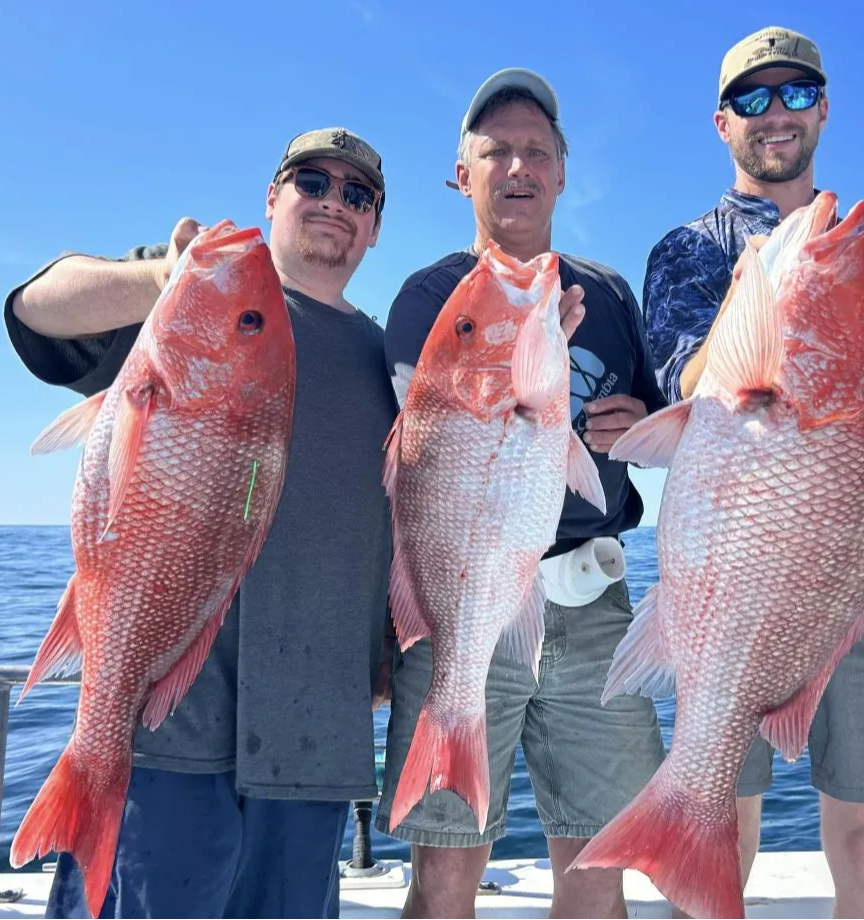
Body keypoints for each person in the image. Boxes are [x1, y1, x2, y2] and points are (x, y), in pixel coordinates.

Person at [4, 127, 399, 919]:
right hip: (166, 732)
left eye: (357, 194)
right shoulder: (188, 297)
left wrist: (382, 659)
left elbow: (392, 528)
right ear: (272, 197)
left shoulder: (383, 360)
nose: (333, 202)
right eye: (310, 183)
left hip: (312, 740)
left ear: (375, 226)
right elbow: (32, 311)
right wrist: (161, 275)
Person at [642, 26, 864, 920]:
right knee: (727, 812)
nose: (776, 113)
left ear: (824, 109)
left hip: (857, 573)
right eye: (754, 98)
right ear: (721, 123)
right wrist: (768, 297)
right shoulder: (688, 250)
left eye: (796, 93)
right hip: (740, 561)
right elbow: (686, 383)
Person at [374, 67, 668, 920]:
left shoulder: (608, 292)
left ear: (562, 172)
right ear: (461, 175)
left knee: (598, 867)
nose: (516, 165)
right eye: (494, 150)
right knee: (445, 875)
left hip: (593, 599)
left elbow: (648, 424)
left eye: (535, 149)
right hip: (466, 594)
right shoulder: (432, 299)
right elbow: (420, 461)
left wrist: (633, 427)